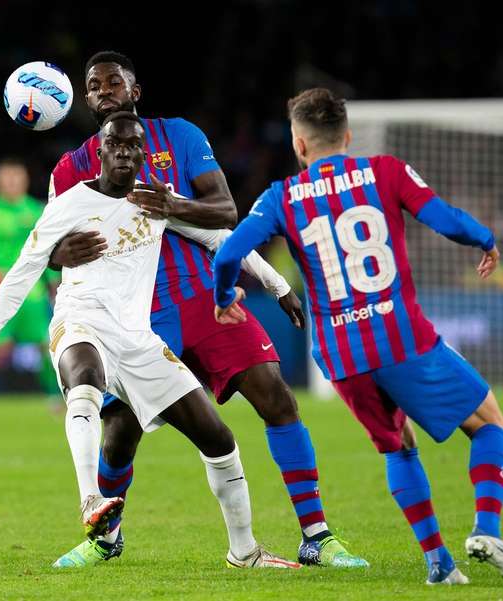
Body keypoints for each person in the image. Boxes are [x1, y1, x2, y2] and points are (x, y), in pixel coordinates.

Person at [47, 51, 366, 568]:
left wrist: (265, 275)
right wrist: (56, 258)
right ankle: (105, 536)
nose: (104, 90)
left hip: (205, 299)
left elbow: (223, 213)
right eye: (93, 85)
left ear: (136, 90)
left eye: (114, 82)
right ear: (84, 99)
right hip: (133, 316)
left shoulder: (180, 136)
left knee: (276, 396)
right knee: (120, 430)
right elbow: (56, 248)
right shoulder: (70, 168)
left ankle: (317, 535)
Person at [213, 88, 503, 586]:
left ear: (299, 144)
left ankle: (439, 564)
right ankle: (487, 528)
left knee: (397, 446)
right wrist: (485, 239)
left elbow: (226, 254)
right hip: (397, 335)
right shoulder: (385, 171)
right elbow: (444, 219)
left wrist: (223, 297)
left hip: (339, 354)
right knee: (489, 421)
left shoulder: (279, 196)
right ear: (346, 136)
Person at [0, 113, 299, 570]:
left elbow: (220, 237)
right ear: (99, 152)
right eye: (114, 146)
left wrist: (279, 287)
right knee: (85, 379)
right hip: (79, 322)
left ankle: (245, 551)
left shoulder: (154, 200)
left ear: (143, 152)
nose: (124, 153)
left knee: (218, 439)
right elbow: (20, 276)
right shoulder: (69, 205)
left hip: (137, 339)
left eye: (133, 146)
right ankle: (89, 503)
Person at [0, 158, 58, 404]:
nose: (11, 182)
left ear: (25, 180)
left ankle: (55, 397)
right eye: (6, 178)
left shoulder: (37, 210)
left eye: (16, 177)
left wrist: (53, 284)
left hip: (32, 291)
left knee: (47, 346)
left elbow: (48, 251)